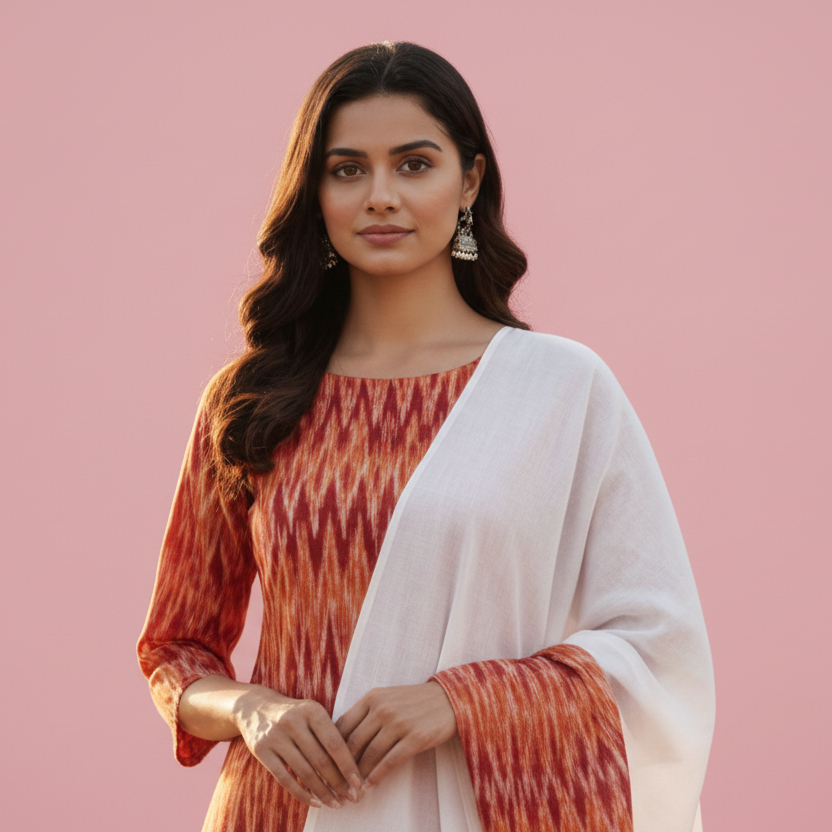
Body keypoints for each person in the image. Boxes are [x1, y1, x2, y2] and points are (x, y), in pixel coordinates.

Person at [137, 40, 715, 832]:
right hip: (278, 811)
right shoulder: (250, 399)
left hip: (471, 807)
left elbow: (659, 650)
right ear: (315, 190)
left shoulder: (559, 391)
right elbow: (176, 651)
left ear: (468, 179)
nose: (380, 196)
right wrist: (250, 707)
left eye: (414, 165)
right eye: (347, 170)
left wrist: (459, 701)